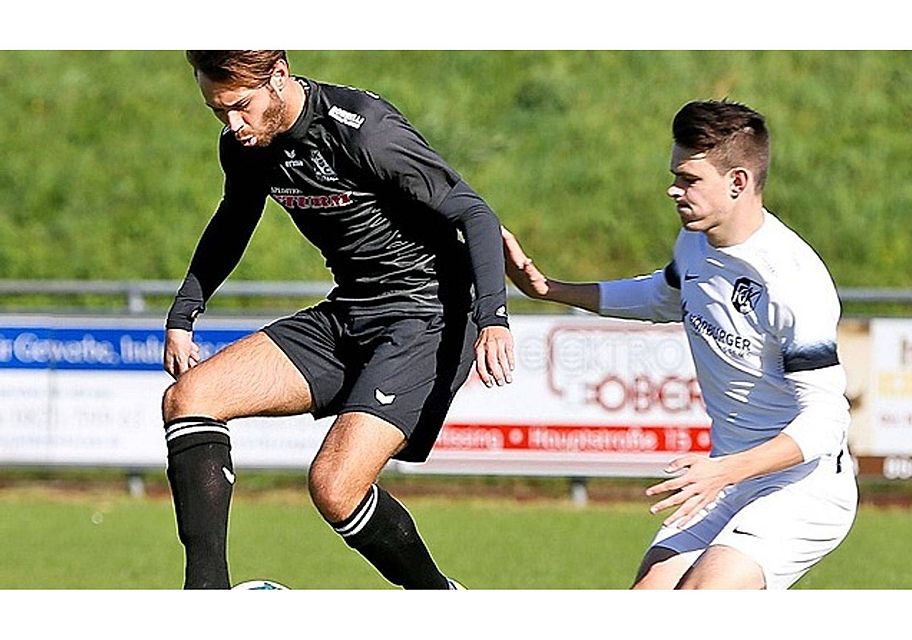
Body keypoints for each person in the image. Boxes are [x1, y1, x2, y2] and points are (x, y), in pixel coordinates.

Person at [162, 50, 515, 589]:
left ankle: (439, 599)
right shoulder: (245, 146)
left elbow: (474, 211)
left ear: (278, 76)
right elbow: (235, 219)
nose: (233, 125)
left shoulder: (362, 129)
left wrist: (492, 316)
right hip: (351, 308)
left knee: (334, 486)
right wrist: (184, 311)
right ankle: (205, 598)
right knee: (190, 398)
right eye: (218, 112)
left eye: (240, 106)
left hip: (426, 315)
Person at [502, 100, 857, 589]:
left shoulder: (793, 280)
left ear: (737, 183)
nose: (673, 189)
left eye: (689, 179)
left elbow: (825, 425)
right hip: (726, 474)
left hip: (803, 486)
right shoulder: (694, 243)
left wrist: (723, 472)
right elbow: (659, 296)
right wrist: (551, 290)